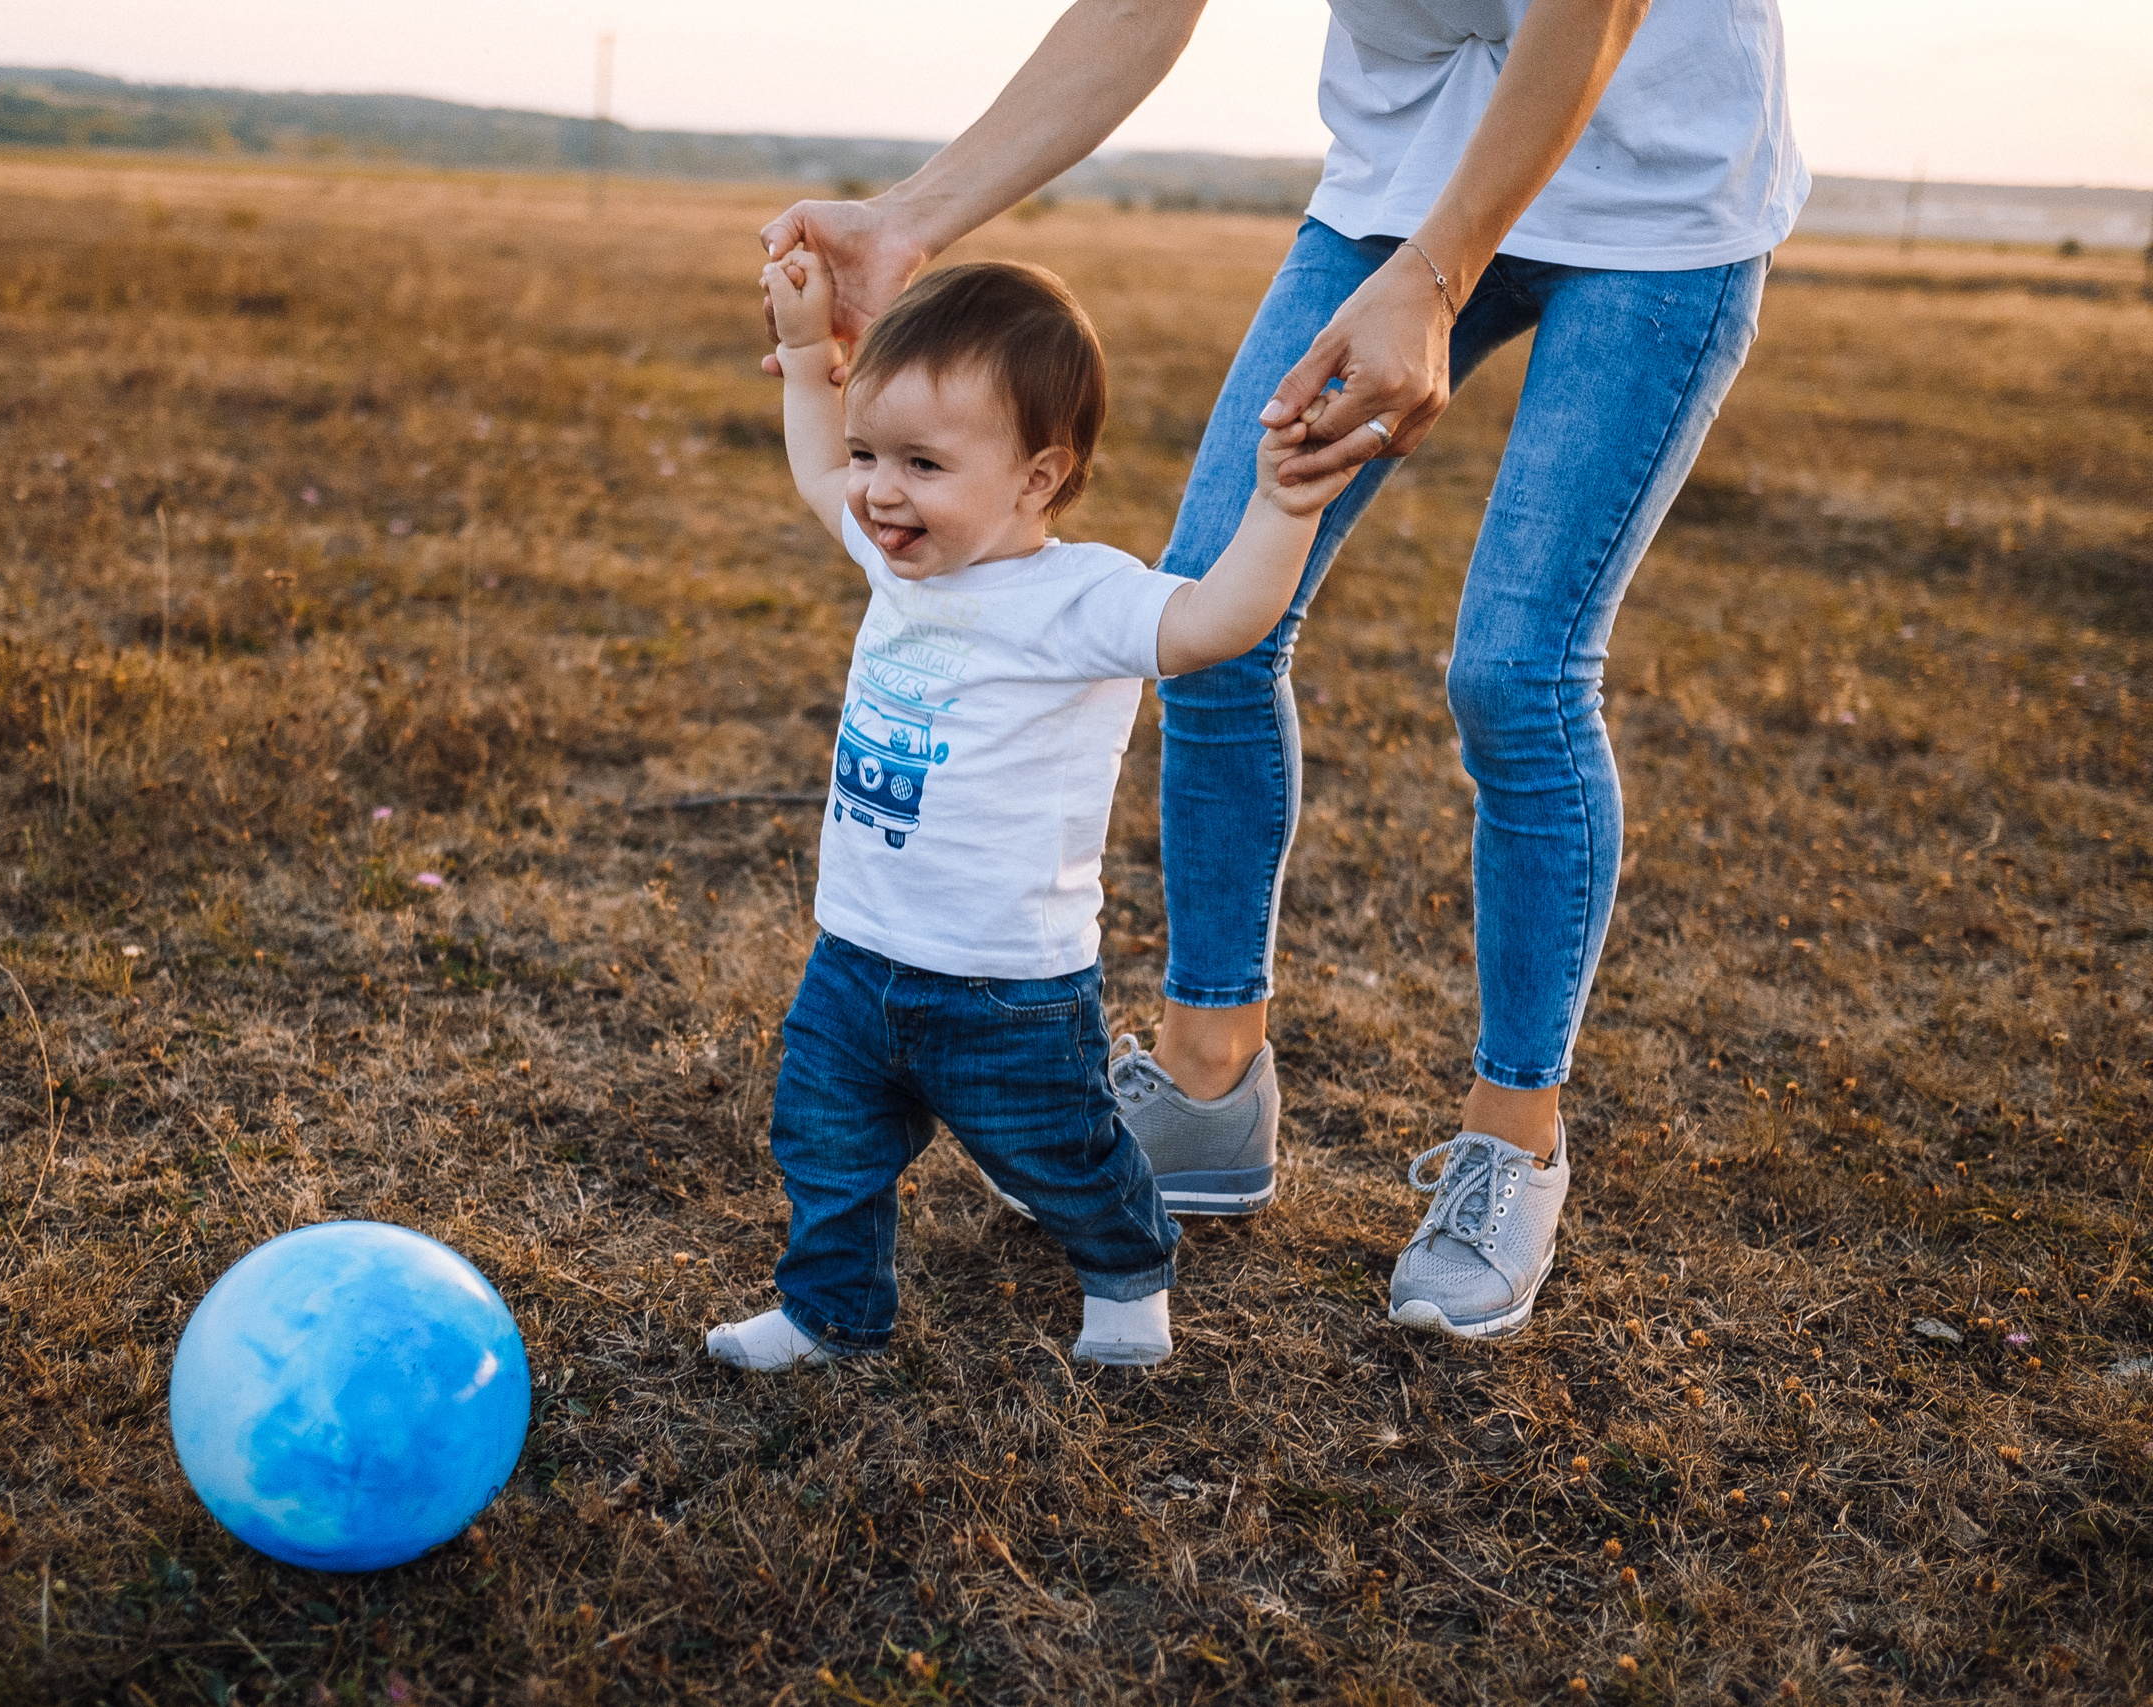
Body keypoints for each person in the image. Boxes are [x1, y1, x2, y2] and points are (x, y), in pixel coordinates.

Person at [759, 0, 1805, 1339]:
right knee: (1209, 627)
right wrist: (912, 216)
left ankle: (1513, 1138)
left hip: (1661, 201)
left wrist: (1436, 280)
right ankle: (1208, 1079)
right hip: (1392, 184)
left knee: (1516, 672)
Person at [705, 251, 1351, 1372]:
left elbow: (1214, 625)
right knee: (822, 1143)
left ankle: (1126, 1276)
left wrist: (1282, 506)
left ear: (1038, 476)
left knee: (1062, 1147)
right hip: (855, 953)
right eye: (871, 454)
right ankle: (830, 1312)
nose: (876, 491)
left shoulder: (1081, 597)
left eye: (920, 462)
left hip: (1005, 978)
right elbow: (816, 470)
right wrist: (810, 355)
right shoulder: (902, 562)